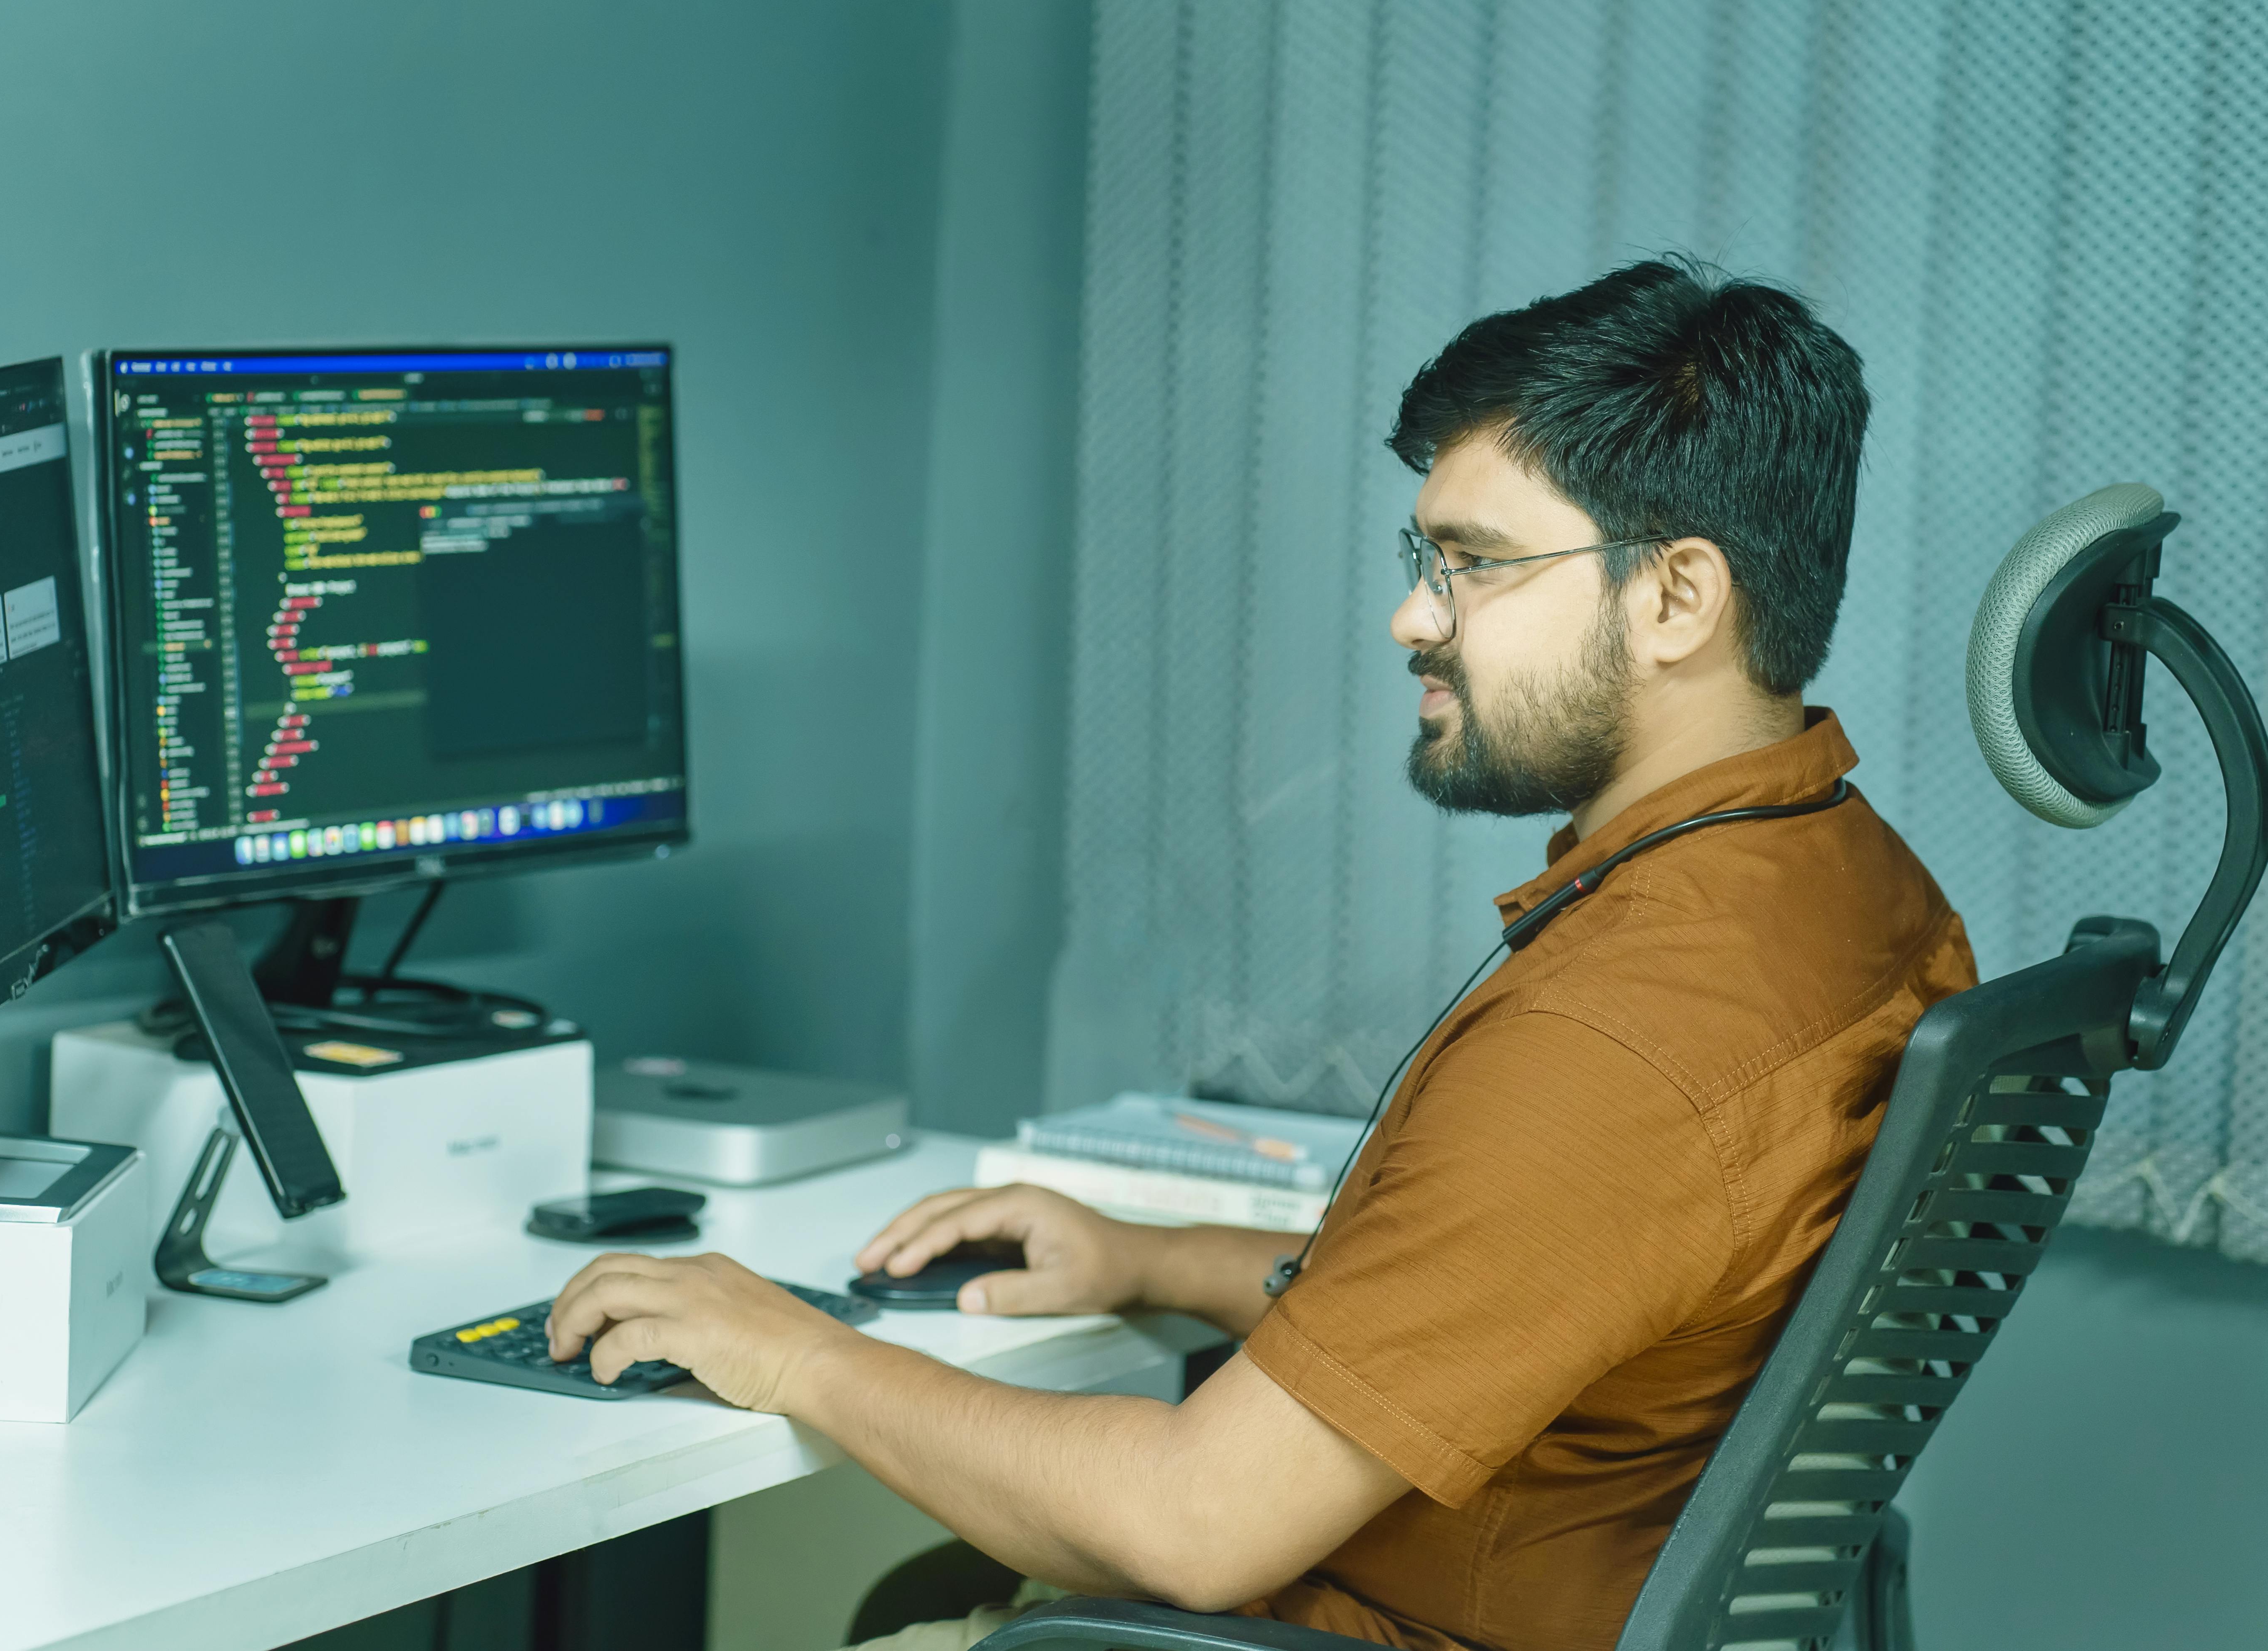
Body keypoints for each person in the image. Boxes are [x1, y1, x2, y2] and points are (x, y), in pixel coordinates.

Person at [547, 258, 1975, 1651]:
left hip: (1375, 1620)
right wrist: (1150, 1258)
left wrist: (800, 1351)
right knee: (913, 1595)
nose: (1413, 616)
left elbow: (1193, 1524)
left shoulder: (1617, 1038)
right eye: (1425, 559)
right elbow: (1541, 1287)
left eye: (1475, 565)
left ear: (1676, 599)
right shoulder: (1856, 896)